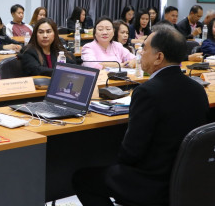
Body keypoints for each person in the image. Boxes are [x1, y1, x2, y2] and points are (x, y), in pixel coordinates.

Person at [72, 25, 208, 206]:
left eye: (144, 49)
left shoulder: (147, 92)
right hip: (187, 180)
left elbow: (131, 152)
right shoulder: (198, 89)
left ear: (159, 57)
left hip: (151, 182)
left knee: (82, 178)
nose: (140, 53)